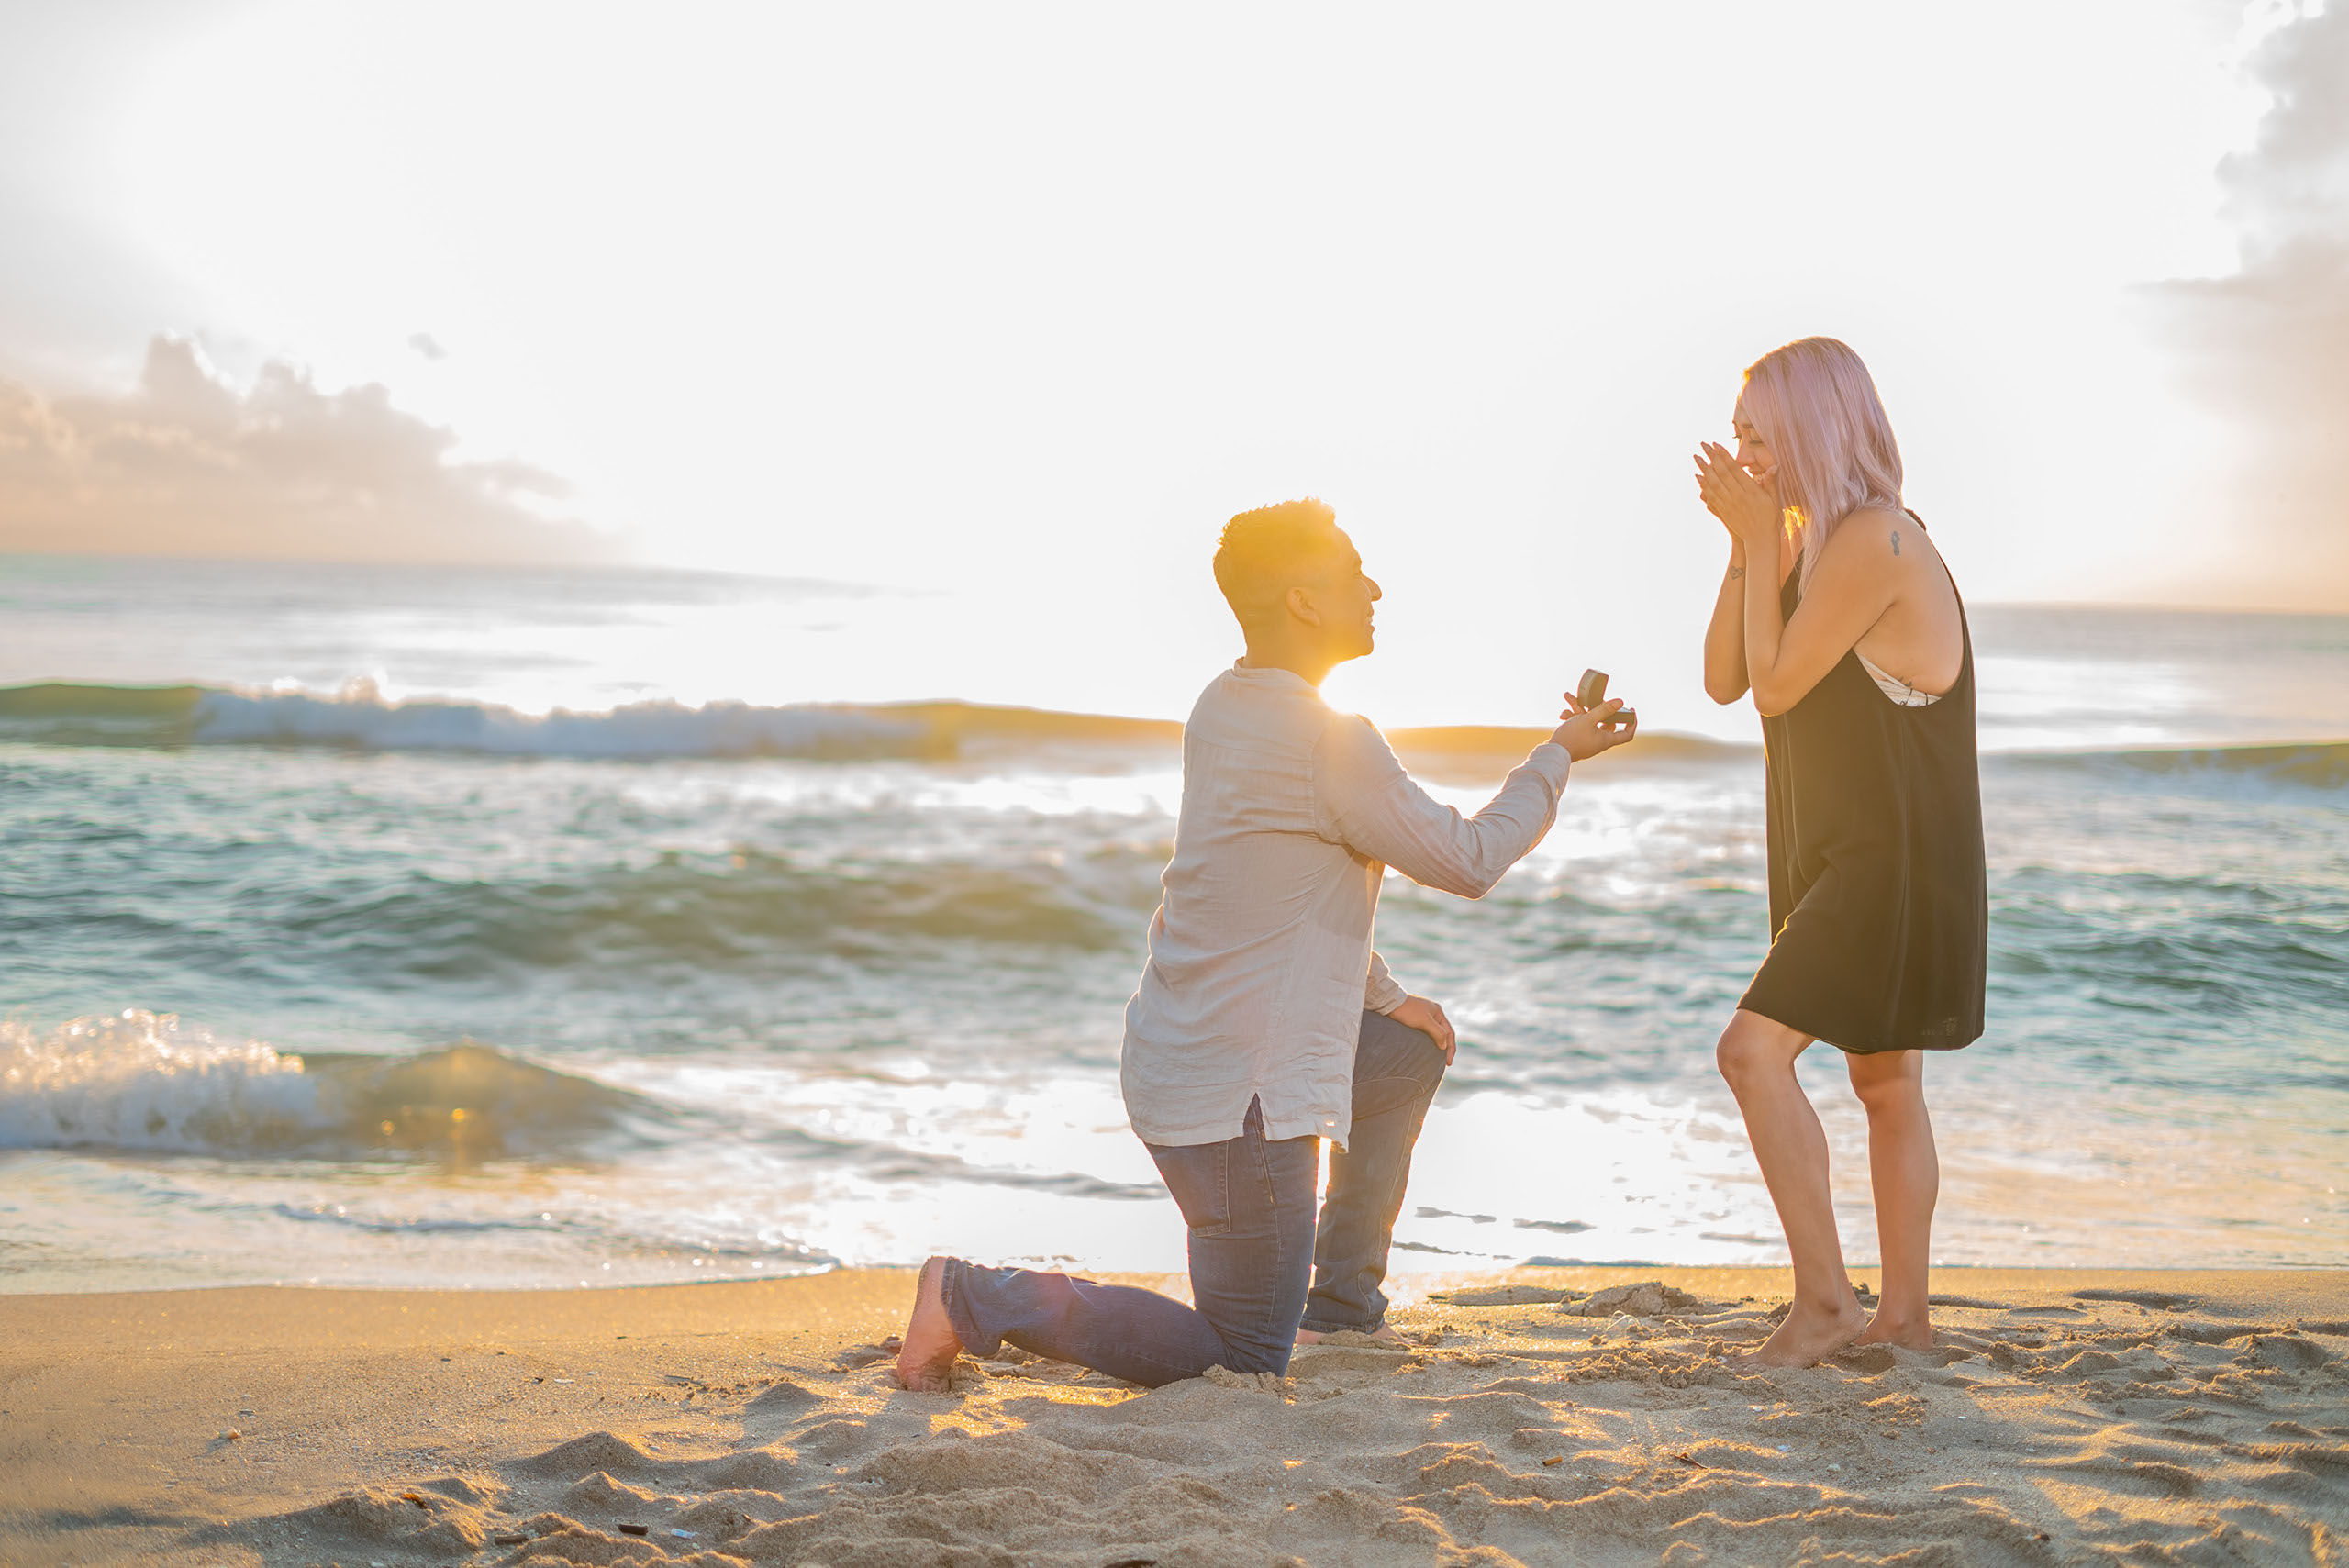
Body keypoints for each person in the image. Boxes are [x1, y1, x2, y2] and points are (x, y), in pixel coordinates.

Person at [896, 498, 1637, 1391]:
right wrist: (1557, 754)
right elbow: (1471, 858)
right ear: (1304, 600)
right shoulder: (1329, 739)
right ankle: (974, 1296)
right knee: (1243, 1354)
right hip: (1237, 1104)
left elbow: (1269, 900)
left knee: (1405, 1050)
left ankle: (1342, 1301)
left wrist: (1386, 995)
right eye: (1353, 574)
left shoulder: (1223, 704)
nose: (1374, 589)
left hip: (1180, 1058)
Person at [1692, 336, 1988, 1367]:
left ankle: (1825, 1304)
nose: (1745, 455)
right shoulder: (1806, 542)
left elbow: (1774, 687)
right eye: (1737, 436)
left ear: (1816, 429)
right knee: (1885, 1085)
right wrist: (1747, 548)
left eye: (1761, 435)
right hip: (1840, 846)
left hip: (1886, 855)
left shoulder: (1876, 540)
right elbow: (1724, 678)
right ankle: (1903, 1321)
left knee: (1750, 1052)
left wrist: (1758, 536)